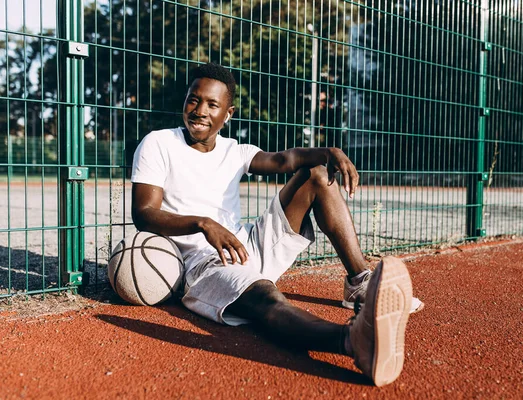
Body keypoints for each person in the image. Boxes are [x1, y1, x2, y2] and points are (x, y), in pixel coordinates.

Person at [130, 63, 422, 386]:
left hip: (249, 246)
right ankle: (352, 340)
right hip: (205, 265)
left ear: (228, 114)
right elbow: (143, 213)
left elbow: (285, 161)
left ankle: (359, 281)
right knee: (267, 296)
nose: (199, 111)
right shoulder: (158, 144)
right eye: (193, 100)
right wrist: (203, 223)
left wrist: (329, 152)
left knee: (317, 175)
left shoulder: (233, 150)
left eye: (212, 105)